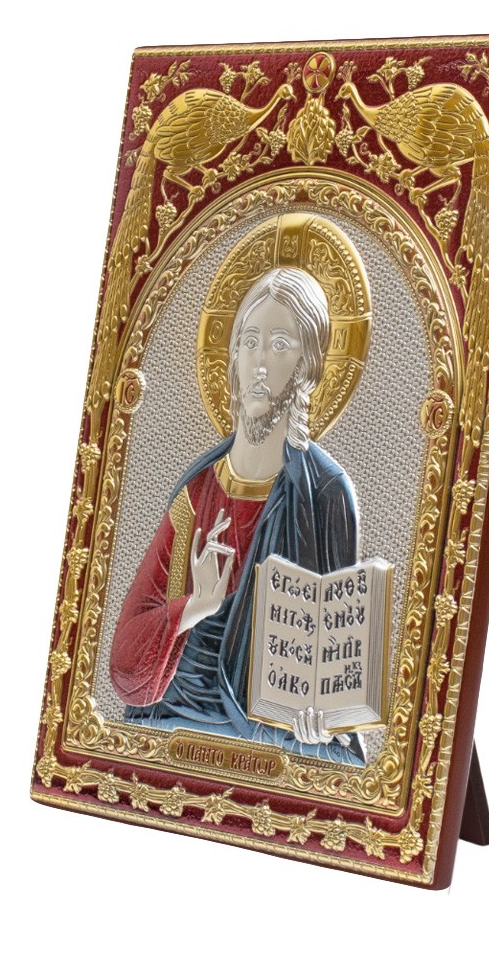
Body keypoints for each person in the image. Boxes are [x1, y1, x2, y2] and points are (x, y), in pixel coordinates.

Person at [110, 267, 364, 764]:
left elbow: (337, 680)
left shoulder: (325, 495)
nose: (260, 363)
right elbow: (124, 668)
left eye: (280, 344)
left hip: (265, 739)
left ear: (308, 367)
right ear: (232, 359)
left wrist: (324, 718)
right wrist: (195, 606)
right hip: (172, 724)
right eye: (249, 342)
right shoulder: (198, 491)